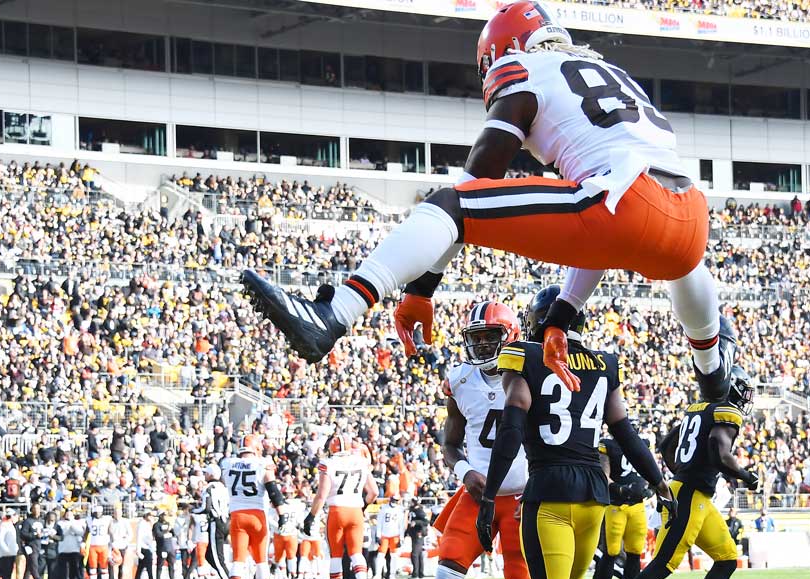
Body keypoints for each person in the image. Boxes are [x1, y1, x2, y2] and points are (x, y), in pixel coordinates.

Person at [241, 0, 733, 406]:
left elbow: (479, 178)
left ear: (507, 49)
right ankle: (712, 375)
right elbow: (602, 232)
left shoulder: (524, 67)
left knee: (449, 203)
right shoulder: (609, 69)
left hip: (623, 204)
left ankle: (334, 315)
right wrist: (562, 316)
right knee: (661, 251)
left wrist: (422, 289)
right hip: (690, 219)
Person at [478, 285, 673, 579]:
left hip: (549, 489)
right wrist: (660, 482)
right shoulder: (603, 363)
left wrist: (489, 497)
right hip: (593, 496)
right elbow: (626, 431)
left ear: (540, 322)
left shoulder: (523, 355)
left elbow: (512, 427)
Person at [413, 300, 541, 579]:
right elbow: (450, 443)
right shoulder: (459, 379)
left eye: (491, 337)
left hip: (522, 495)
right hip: (477, 493)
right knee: (446, 578)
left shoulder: (530, 373)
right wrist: (465, 470)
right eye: (478, 338)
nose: (484, 345)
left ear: (511, 336)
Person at [599, 366, 758, 579]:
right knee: (662, 564)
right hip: (688, 494)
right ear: (732, 387)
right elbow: (719, 451)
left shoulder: (696, 410)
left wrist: (677, 473)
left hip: (695, 494)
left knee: (726, 558)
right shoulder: (726, 412)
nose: (746, 399)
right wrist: (746, 476)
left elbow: (665, 445)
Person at [306, 429, 377, 579]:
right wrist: (363, 507)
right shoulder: (361, 461)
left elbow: (321, 495)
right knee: (356, 553)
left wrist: (311, 516)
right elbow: (373, 492)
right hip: (356, 510)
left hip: (337, 510)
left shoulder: (328, 463)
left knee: (336, 554)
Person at [221, 434, 287, 579]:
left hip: (237, 515)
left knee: (238, 560)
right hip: (257, 515)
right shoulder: (263, 463)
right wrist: (282, 515)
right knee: (261, 560)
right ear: (256, 448)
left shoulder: (227, 463)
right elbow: (274, 492)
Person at [591, 433, 652, 579]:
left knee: (634, 552)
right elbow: (604, 474)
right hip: (616, 504)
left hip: (637, 506)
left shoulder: (643, 444)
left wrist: (652, 487)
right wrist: (620, 489)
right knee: (611, 551)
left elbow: (649, 469)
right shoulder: (608, 446)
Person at [17, 504, 45, 579]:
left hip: (39, 546)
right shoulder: (28, 521)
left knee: (29, 568)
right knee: (34, 567)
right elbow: (23, 534)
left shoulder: (41, 521)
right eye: (35, 509)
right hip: (31, 547)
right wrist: (35, 535)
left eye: (38, 508)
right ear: (31, 510)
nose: (37, 510)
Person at [376, 495, 406, 579]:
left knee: (394, 556)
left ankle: (392, 575)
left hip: (395, 535)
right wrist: (378, 535)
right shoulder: (383, 508)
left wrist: (401, 538)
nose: (394, 502)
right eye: (393, 500)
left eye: (396, 500)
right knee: (381, 555)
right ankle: (378, 575)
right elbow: (379, 522)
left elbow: (401, 525)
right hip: (384, 534)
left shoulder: (400, 510)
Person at [56, 508, 86, 579]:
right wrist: (68, 530)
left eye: (70, 514)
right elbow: (60, 534)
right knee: (63, 571)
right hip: (63, 549)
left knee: (75, 569)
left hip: (74, 549)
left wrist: (72, 527)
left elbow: (81, 532)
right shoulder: (60, 523)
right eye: (67, 514)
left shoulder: (77, 522)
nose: (68, 516)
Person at [84, 504, 112, 579]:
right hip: (93, 546)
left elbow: (110, 532)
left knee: (104, 566)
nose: (97, 514)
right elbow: (86, 532)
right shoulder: (90, 520)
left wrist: (113, 543)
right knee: (93, 567)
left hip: (104, 545)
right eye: (95, 513)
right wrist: (83, 542)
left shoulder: (107, 519)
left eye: (99, 512)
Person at [406, 500, 428, 579]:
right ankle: (419, 573)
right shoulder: (412, 510)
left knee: (415, 554)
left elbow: (426, 522)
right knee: (418, 554)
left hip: (418, 533)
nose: (410, 503)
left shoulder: (419, 511)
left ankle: (416, 574)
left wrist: (416, 522)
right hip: (414, 533)